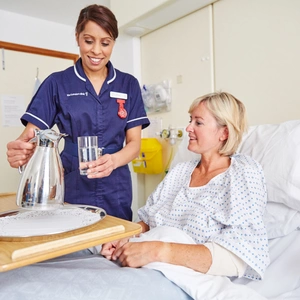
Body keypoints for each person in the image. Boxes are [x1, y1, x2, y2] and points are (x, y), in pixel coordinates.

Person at [101, 91, 270, 280]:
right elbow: (148, 221)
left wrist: (159, 251)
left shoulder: (242, 173)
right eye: (190, 120)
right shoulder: (180, 172)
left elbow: (238, 256)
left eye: (198, 122)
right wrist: (124, 237)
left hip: (184, 276)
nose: (188, 128)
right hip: (142, 262)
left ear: (224, 132)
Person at [6, 5, 150, 221]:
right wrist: (20, 152)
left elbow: (134, 144)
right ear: (77, 38)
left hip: (115, 181)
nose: (96, 51)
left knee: (117, 244)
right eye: (89, 41)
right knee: (73, 241)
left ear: (113, 43)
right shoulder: (57, 83)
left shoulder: (128, 84)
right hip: (72, 178)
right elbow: (30, 136)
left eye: (105, 43)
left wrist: (113, 161)